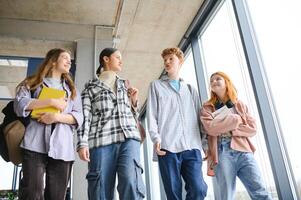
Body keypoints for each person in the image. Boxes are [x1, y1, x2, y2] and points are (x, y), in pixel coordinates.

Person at [14, 48, 83, 200]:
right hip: (33, 145)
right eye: (64, 57)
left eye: (70, 59)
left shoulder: (72, 91)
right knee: (32, 192)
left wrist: (56, 117)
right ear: (52, 61)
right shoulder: (31, 83)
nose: (69, 61)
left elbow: (79, 117)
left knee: (57, 196)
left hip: (62, 149)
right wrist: (51, 102)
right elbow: (20, 105)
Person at [77, 47, 145, 200]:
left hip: (129, 138)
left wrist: (134, 102)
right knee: (100, 189)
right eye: (117, 57)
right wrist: (82, 143)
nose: (121, 61)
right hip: (101, 141)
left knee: (130, 180)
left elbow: (134, 116)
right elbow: (85, 117)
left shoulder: (124, 85)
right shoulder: (90, 88)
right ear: (106, 59)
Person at [146, 47, 208, 200]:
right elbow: (151, 115)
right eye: (165, 60)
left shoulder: (190, 89)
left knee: (199, 189)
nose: (167, 62)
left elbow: (200, 119)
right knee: (173, 194)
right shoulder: (156, 86)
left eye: (171, 59)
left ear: (180, 61)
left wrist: (205, 145)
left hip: (192, 147)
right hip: (167, 148)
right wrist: (156, 138)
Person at [200, 71, 272, 200]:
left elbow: (252, 128)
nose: (213, 82)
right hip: (221, 152)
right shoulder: (206, 108)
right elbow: (210, 129)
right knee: (226, 196)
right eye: (211, 80)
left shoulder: (239, 104)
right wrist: (235, 120)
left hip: (244, 152)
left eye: (218, 79)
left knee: (260, 191)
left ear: (226, 82)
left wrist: (230, 130)